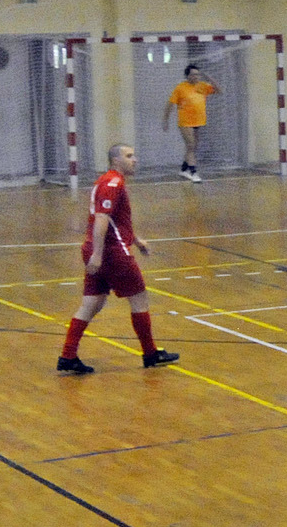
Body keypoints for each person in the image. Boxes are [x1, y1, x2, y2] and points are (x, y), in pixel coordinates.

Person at [57, 143, 180, 374]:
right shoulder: (113, 183)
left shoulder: (106, 181)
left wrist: (136, 240)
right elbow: (102, 220)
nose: (135, 160)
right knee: (139, 299)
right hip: (112, 254)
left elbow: (116, 221)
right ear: (116, 161)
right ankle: (150, 353)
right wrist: (98, 255)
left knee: (91, 303)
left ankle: (68, 355)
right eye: (129, 156)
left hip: (99, 250)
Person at [162, 63, 219, 183]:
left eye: (197, 74)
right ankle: (193, 172)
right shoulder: (181, 88)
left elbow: (218, 90)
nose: (195, 77)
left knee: (192, 147)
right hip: (185, 122)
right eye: (193, 74)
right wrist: (165, 120)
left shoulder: (202, 86)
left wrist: (209, 78)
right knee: (191, 145)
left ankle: (184, 169)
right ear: (187, 76)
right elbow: (170, 105)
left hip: (198, 121)